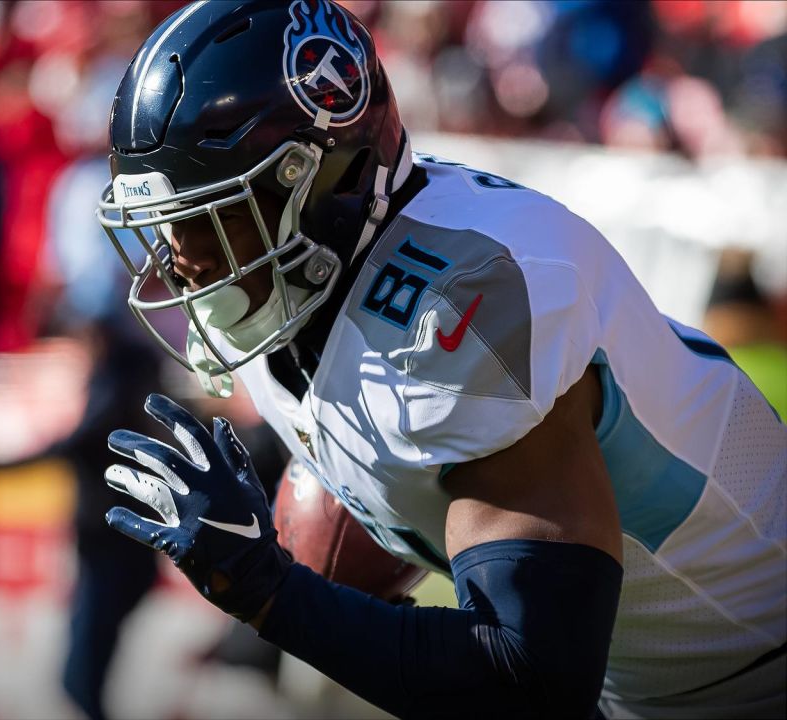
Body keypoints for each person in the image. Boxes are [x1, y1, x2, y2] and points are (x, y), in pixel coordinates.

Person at [92, 2, 786, 718]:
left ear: (321, 180)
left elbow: (529, 683)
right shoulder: (304, 288)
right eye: (166, 227)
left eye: (209, 218)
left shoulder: (463, 306)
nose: (182, 263)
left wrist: (271, 593)